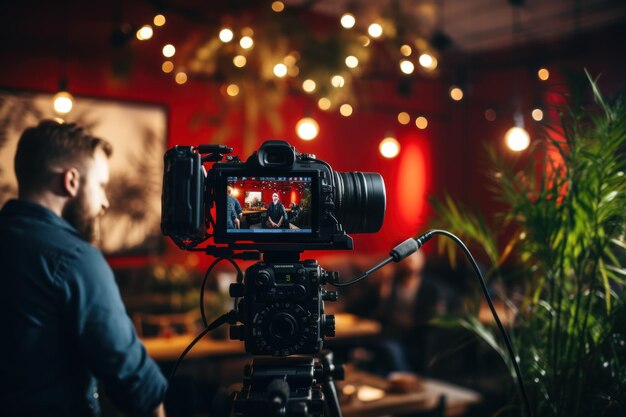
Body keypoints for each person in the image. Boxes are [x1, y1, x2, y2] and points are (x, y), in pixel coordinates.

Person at [0, 120, 167, 416]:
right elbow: (134, 380)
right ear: (71, 181)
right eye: (101, 186)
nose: (104, 202)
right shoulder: (74, 258)